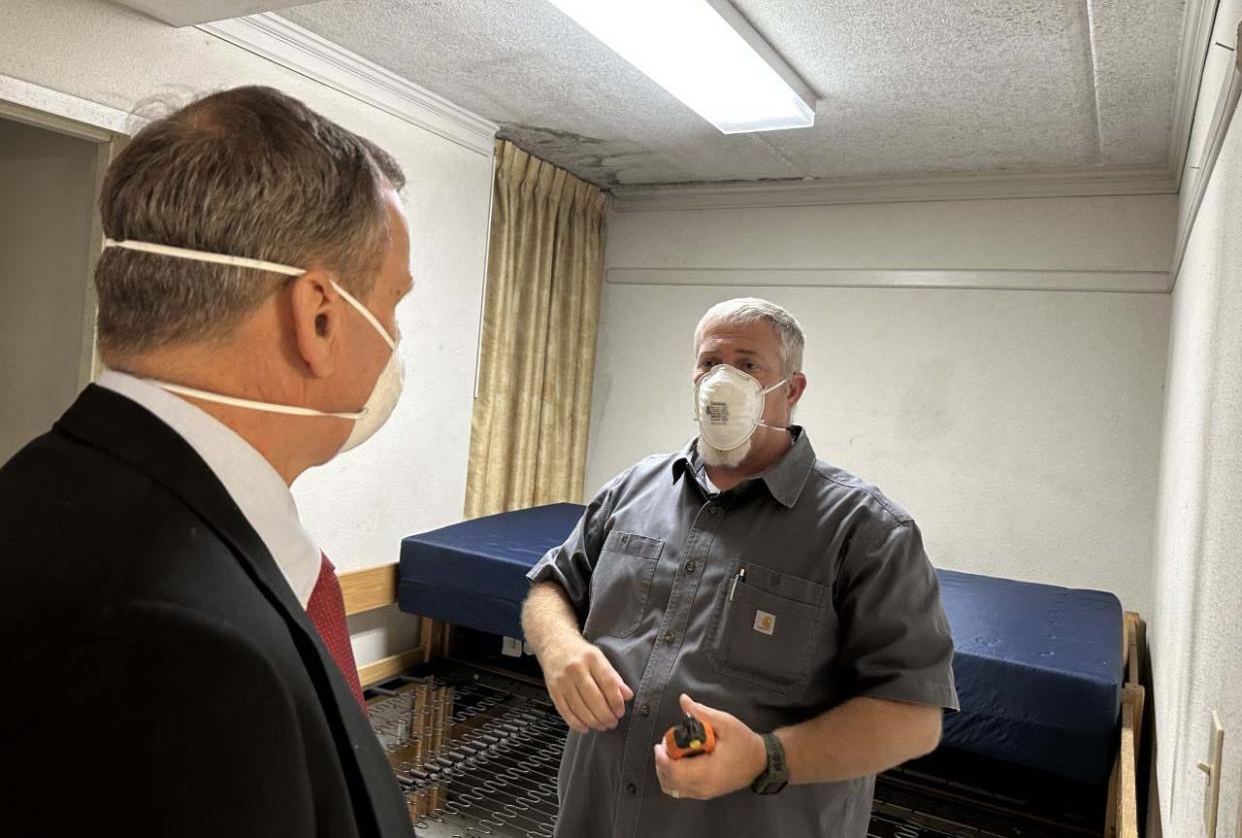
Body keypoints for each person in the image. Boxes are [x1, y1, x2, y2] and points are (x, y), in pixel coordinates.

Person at [0, 86, 415, 837]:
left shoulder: (48, 491)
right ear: (318, 317)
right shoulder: (177, 642)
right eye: (391, 304)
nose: (392, 338)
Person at [522, 297, 958, 837]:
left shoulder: (865, 531)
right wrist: (560, 646)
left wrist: (764, 758)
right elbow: (551, 586)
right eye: (710, 363)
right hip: (597, 818)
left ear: (792, 390)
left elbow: (912, 718)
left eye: (748, 364)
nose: (722, 380)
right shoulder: (633, 490)